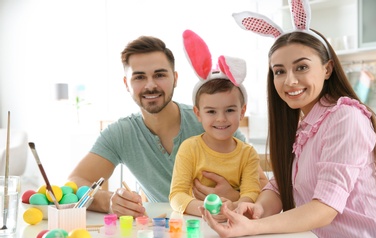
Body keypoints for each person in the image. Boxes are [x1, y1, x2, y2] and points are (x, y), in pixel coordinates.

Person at [200, 2, 376, 238]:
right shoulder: (303, 126)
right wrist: (255, 209)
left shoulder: (346, 117)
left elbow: (325, 208)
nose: (289, 80)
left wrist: (254, 228)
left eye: (301, 67)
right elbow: (281, 187)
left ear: (327, 68)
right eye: (279, 71)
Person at [67, 35, 268, 217]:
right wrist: (109, 201)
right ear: (126, 84)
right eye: (139, 77)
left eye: (160, 75)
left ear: (175, 78)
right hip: (171, 233)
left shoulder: (212, 120)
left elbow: (264, 191)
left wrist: (234, 196)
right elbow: (75, 180)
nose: (150, 85)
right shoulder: (120, 133)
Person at [169, 30, 262, 220]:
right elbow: (177, 196)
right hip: (197, 226)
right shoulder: (189, 148)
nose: (221, 119)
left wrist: (233, 206)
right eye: (211, 111)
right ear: (198, 114)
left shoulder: (248, 154)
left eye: (229, 110)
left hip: (236, 224)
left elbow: (251, 192)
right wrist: (207, 209)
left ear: (242, 111)